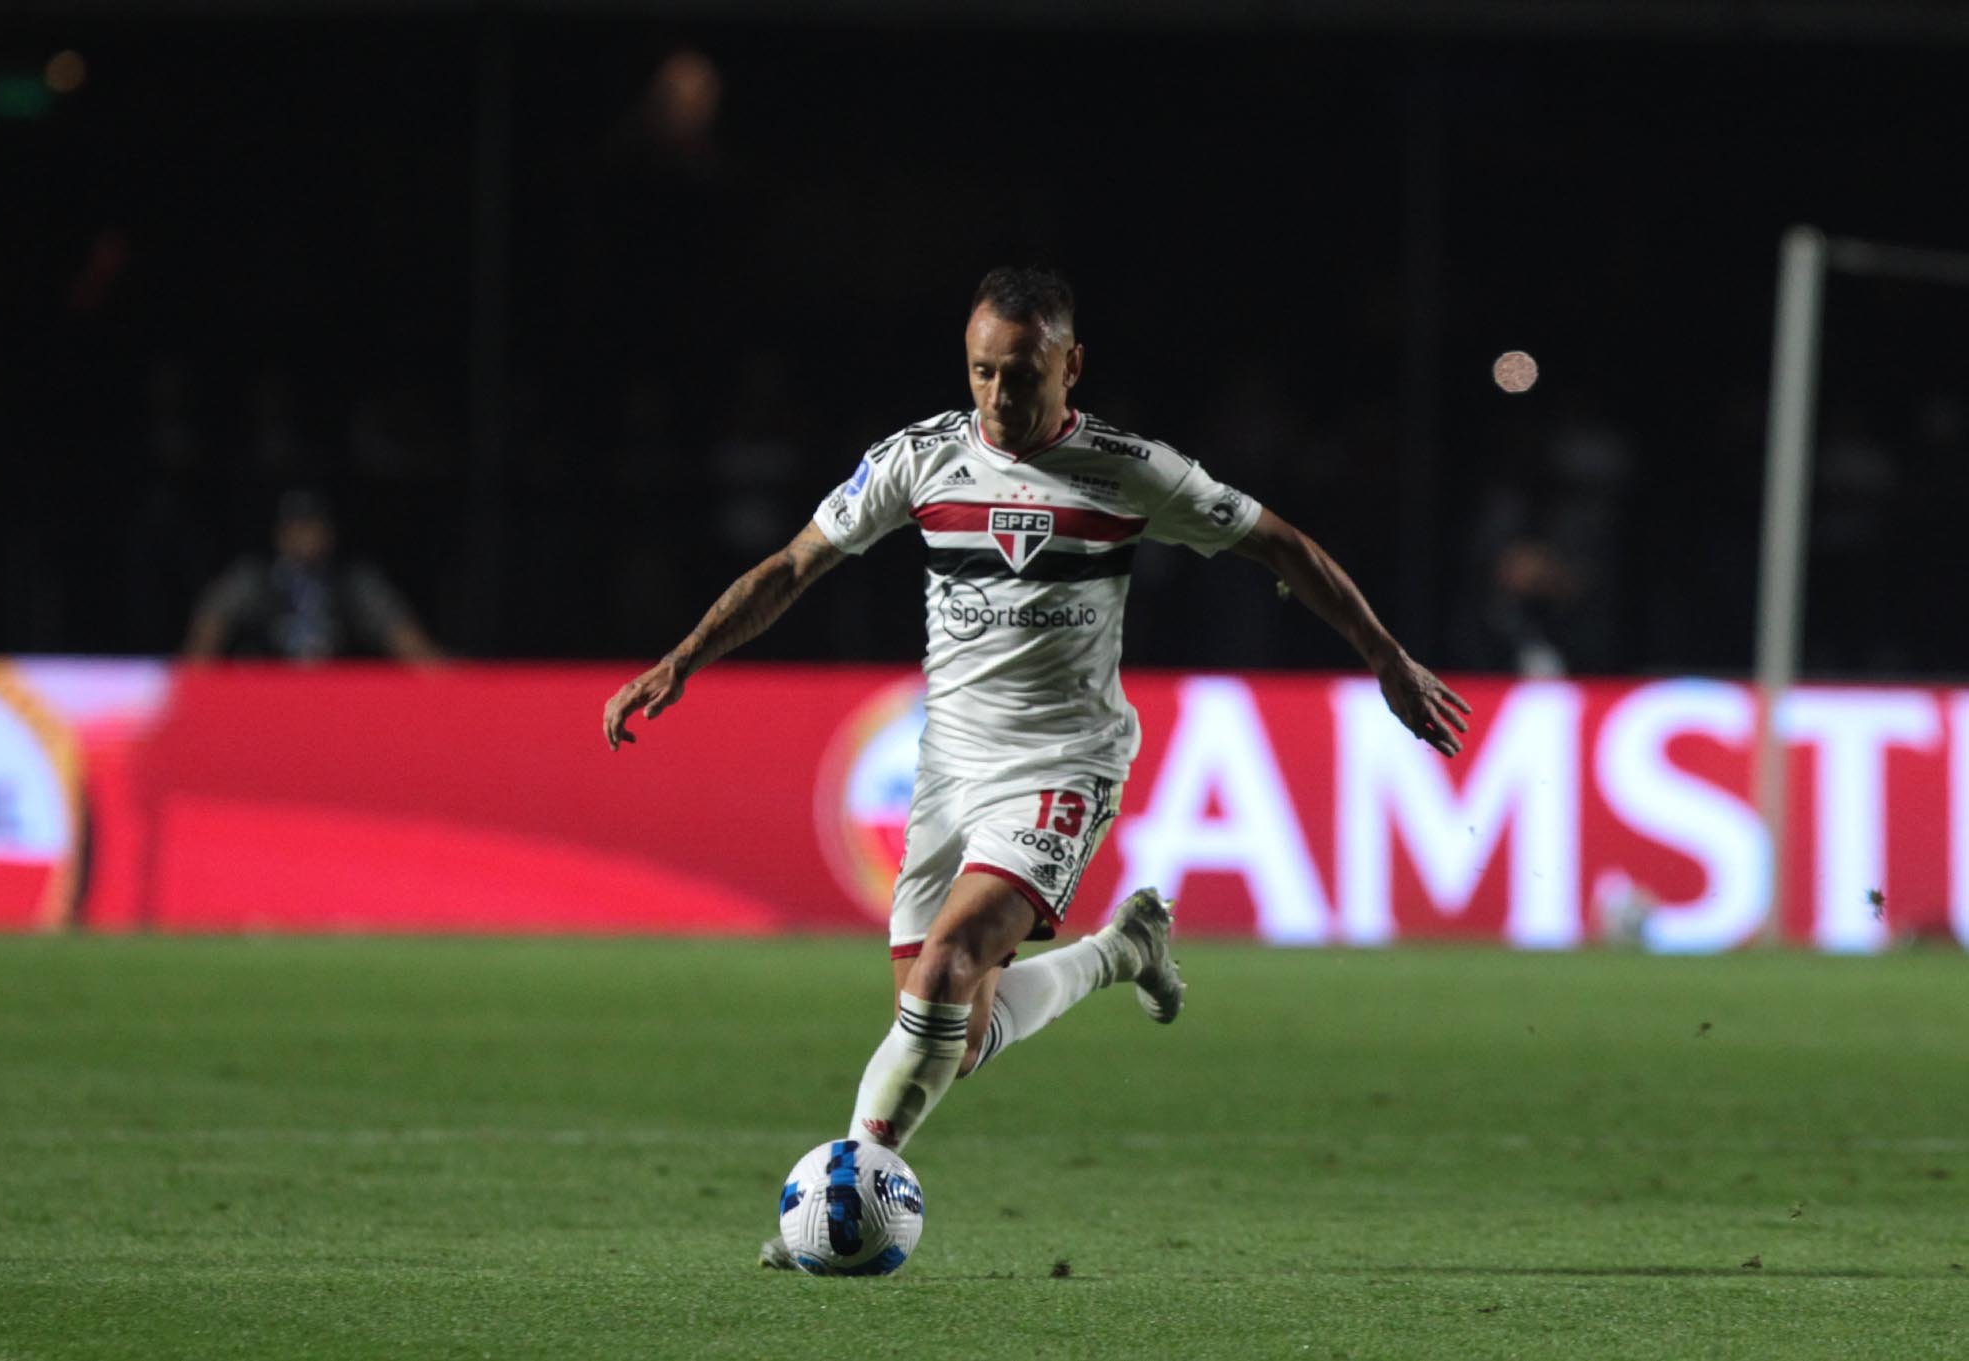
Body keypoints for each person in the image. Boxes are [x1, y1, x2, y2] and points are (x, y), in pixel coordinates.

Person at [599, 266, 1469, 1267]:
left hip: (1064, 761)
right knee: (948, 1036)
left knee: (944, 969)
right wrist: (682, 658)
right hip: (945, 766)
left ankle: (838, 1204)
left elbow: (1281, 545)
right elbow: (796, 562)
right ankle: (1120, 949)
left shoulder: (1127, 469)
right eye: (981, 373)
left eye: (1020, 375)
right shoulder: (919, 459)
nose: (999, 399)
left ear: (1070, 365)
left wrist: (1384, 658)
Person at [183, 490, 441, 663]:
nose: (305, 537)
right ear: (280, 535)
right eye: (296, 528)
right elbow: (210, 623)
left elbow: (400, 633)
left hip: (332, 692)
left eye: (312, 527)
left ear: (329, 533)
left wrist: (442, 678)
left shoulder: (351, 580)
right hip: (267, 689)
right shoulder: (255, 577)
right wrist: (194, 684)